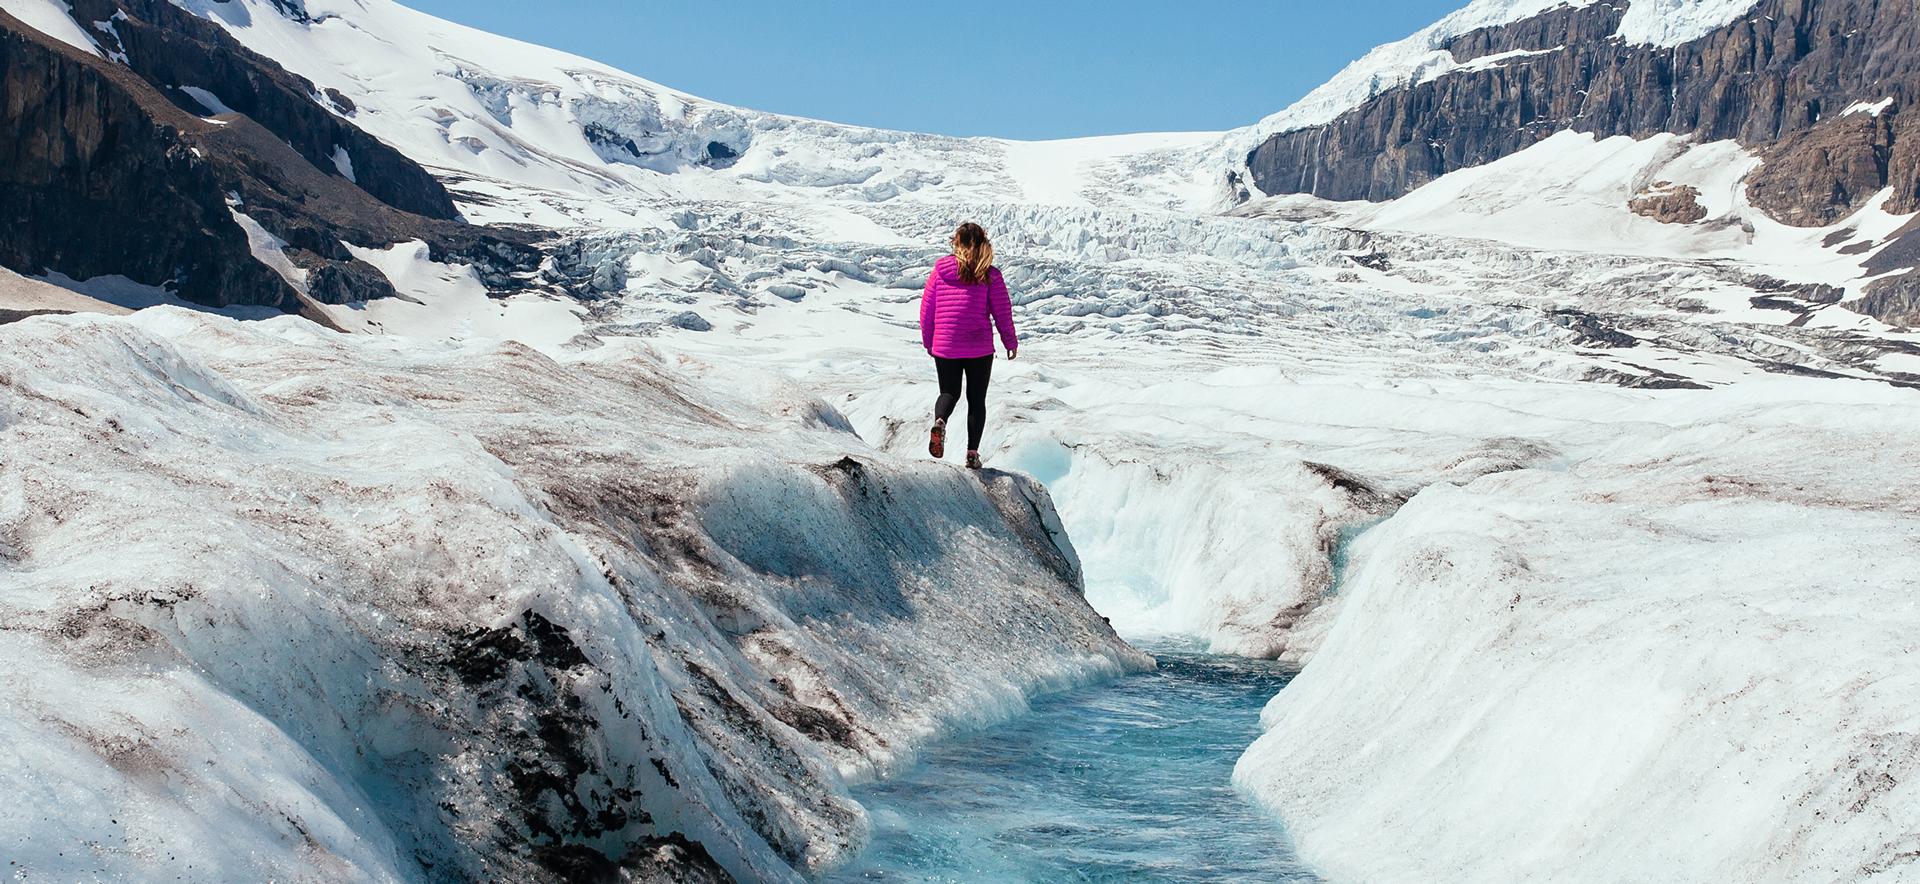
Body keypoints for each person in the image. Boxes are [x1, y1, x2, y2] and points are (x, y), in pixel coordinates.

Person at [919, 222, 1018, 470]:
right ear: (983, 244)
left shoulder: (940, 271)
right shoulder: (990, 274)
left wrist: (930, 340)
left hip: (946, 345)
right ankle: (972, 454)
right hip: (978, 347)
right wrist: (1010, 341)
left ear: (957, 242)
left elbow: (926, 310)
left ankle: (940, 422)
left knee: (949, 392)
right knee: (976, 400)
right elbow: (1002, 312)